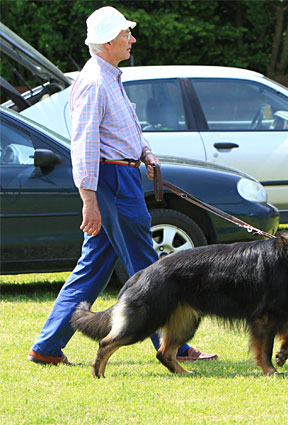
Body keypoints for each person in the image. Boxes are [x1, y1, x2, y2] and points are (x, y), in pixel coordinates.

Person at [28, 6, 217, 366]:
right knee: (151, 269)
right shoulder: (95, 83)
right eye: (125, 34)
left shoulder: (108, 77)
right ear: (106, 42)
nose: (132, 39)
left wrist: (145, 153)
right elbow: (84, 146)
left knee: (92, 268)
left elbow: (123, 130)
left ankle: (46, 347)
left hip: (119, 177)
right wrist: (89, 200)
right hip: (112, 181)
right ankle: (173, 347)